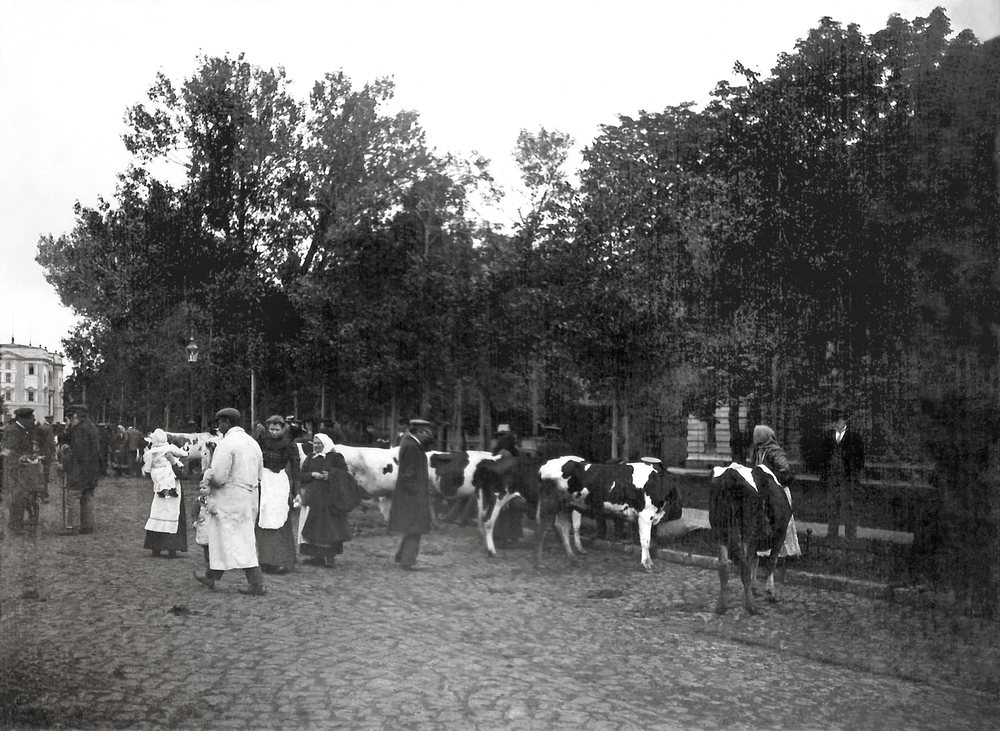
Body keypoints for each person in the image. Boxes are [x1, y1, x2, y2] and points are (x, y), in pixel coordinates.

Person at [193, 408, 267, 596]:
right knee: (233, 539)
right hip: (249, 497)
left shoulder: (227, 444)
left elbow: (218, 477)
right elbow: (260, 474)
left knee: (234, 539)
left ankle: (257, 583)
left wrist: (208, 475)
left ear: (226, 422)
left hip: (230, 498)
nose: (218, 427)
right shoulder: (253, 443)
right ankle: (211, 576)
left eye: (219, 422)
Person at [297, 433, 365, 567]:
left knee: (329, 527)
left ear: (326, 444)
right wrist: (312, 474)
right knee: (313, 526)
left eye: (319, 443)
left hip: (330, 498)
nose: (316, 446)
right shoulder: (310, 458)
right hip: (313, 497)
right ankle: (316, 556)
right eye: (314, 443)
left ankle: (329, 556)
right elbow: (302, 476)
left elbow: (346, 475)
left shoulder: (335, 457)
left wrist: (330, 475)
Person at [255, 415, 301, 574]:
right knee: (263, 519)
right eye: (271, 429)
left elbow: (296, 468)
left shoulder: (290, 444)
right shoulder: (262, 442)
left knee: (280, 519)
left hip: (279, 481)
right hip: (265, 481)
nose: (274, 432)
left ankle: (282, 561)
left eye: (277, 429)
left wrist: (297, 492)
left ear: (283, 429)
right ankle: (265, 560)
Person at [388, 419, 435, 571]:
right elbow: (408, 475)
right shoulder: (413, 447)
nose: (429, 436)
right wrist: (416, 494)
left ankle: (401, 555)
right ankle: (407, 561)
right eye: (427, 433)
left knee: (412, 527)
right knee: (416, 528)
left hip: (408, 493)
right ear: (419, 432)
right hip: (412, 495)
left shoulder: (409, 443)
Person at [749, 424, 800, 557]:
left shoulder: (774, 451)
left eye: (757, 435)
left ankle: (784, 553)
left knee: (780, 521)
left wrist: (769, 478)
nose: (754, 438)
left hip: (778, 492)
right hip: (763, 492)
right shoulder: (757, 452)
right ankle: (764, 551)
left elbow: (785, 470)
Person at [141, 428, 189, 558]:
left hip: (171, 487)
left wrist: (173, 461)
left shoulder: (174, 455)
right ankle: (157, 546)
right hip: (163, 487)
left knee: (170, 513)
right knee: (159, 512)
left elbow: (184, 474)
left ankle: (170, 547)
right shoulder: (157, 453)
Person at [821, 410, 866, 540]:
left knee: (848, 507)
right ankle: (832, 533)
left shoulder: (854, 438)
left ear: (844, 422)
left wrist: (854, 475)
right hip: (832, 478)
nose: (835, 423)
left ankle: (850, 535)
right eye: (834, 421)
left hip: (847, 479)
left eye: (838, 420)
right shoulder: (829, 437)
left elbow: (860, 459)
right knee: (832, 507)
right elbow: (823, 458)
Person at [63, 404, 103, 534]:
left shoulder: (79, 429)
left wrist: (67, 453)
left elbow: (79, 452)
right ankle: (87, 526)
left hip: (79, 470)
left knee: (71, 498)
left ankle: (70, 527)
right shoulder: (92, 427)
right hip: (91, 470)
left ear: (75, 416)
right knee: (87, 497)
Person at [1, 407, 43, 531]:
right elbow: (7, 450)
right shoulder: (13, 430)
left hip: (24, 469)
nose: (32, 421)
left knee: (24, 496)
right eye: (30, 418)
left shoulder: (24, 430)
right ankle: (15, 523)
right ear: (22, 419)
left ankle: (19, 521)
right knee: (16, 497)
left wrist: (32, 456)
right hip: (14, 469)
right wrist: (21, 458)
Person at [491, 424, 524, 545]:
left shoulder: (501, 452)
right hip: (511, 486)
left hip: (505, 486)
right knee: (510, 509)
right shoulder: (515, 452)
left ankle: (502, 536)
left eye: (502, 435)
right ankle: (512, 535)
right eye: (500, 435)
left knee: (504, 508)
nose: (500, 438)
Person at [37, 415, 55, 502]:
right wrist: (53, 451)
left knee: (43, 472)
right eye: (51, 419)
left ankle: (43, 491)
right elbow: (50, 441)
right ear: (49, 419)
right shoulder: (48, 428)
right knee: (45, 472)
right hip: (46, 452)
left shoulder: (41, 427)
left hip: (42, 451)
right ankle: (43, 492)